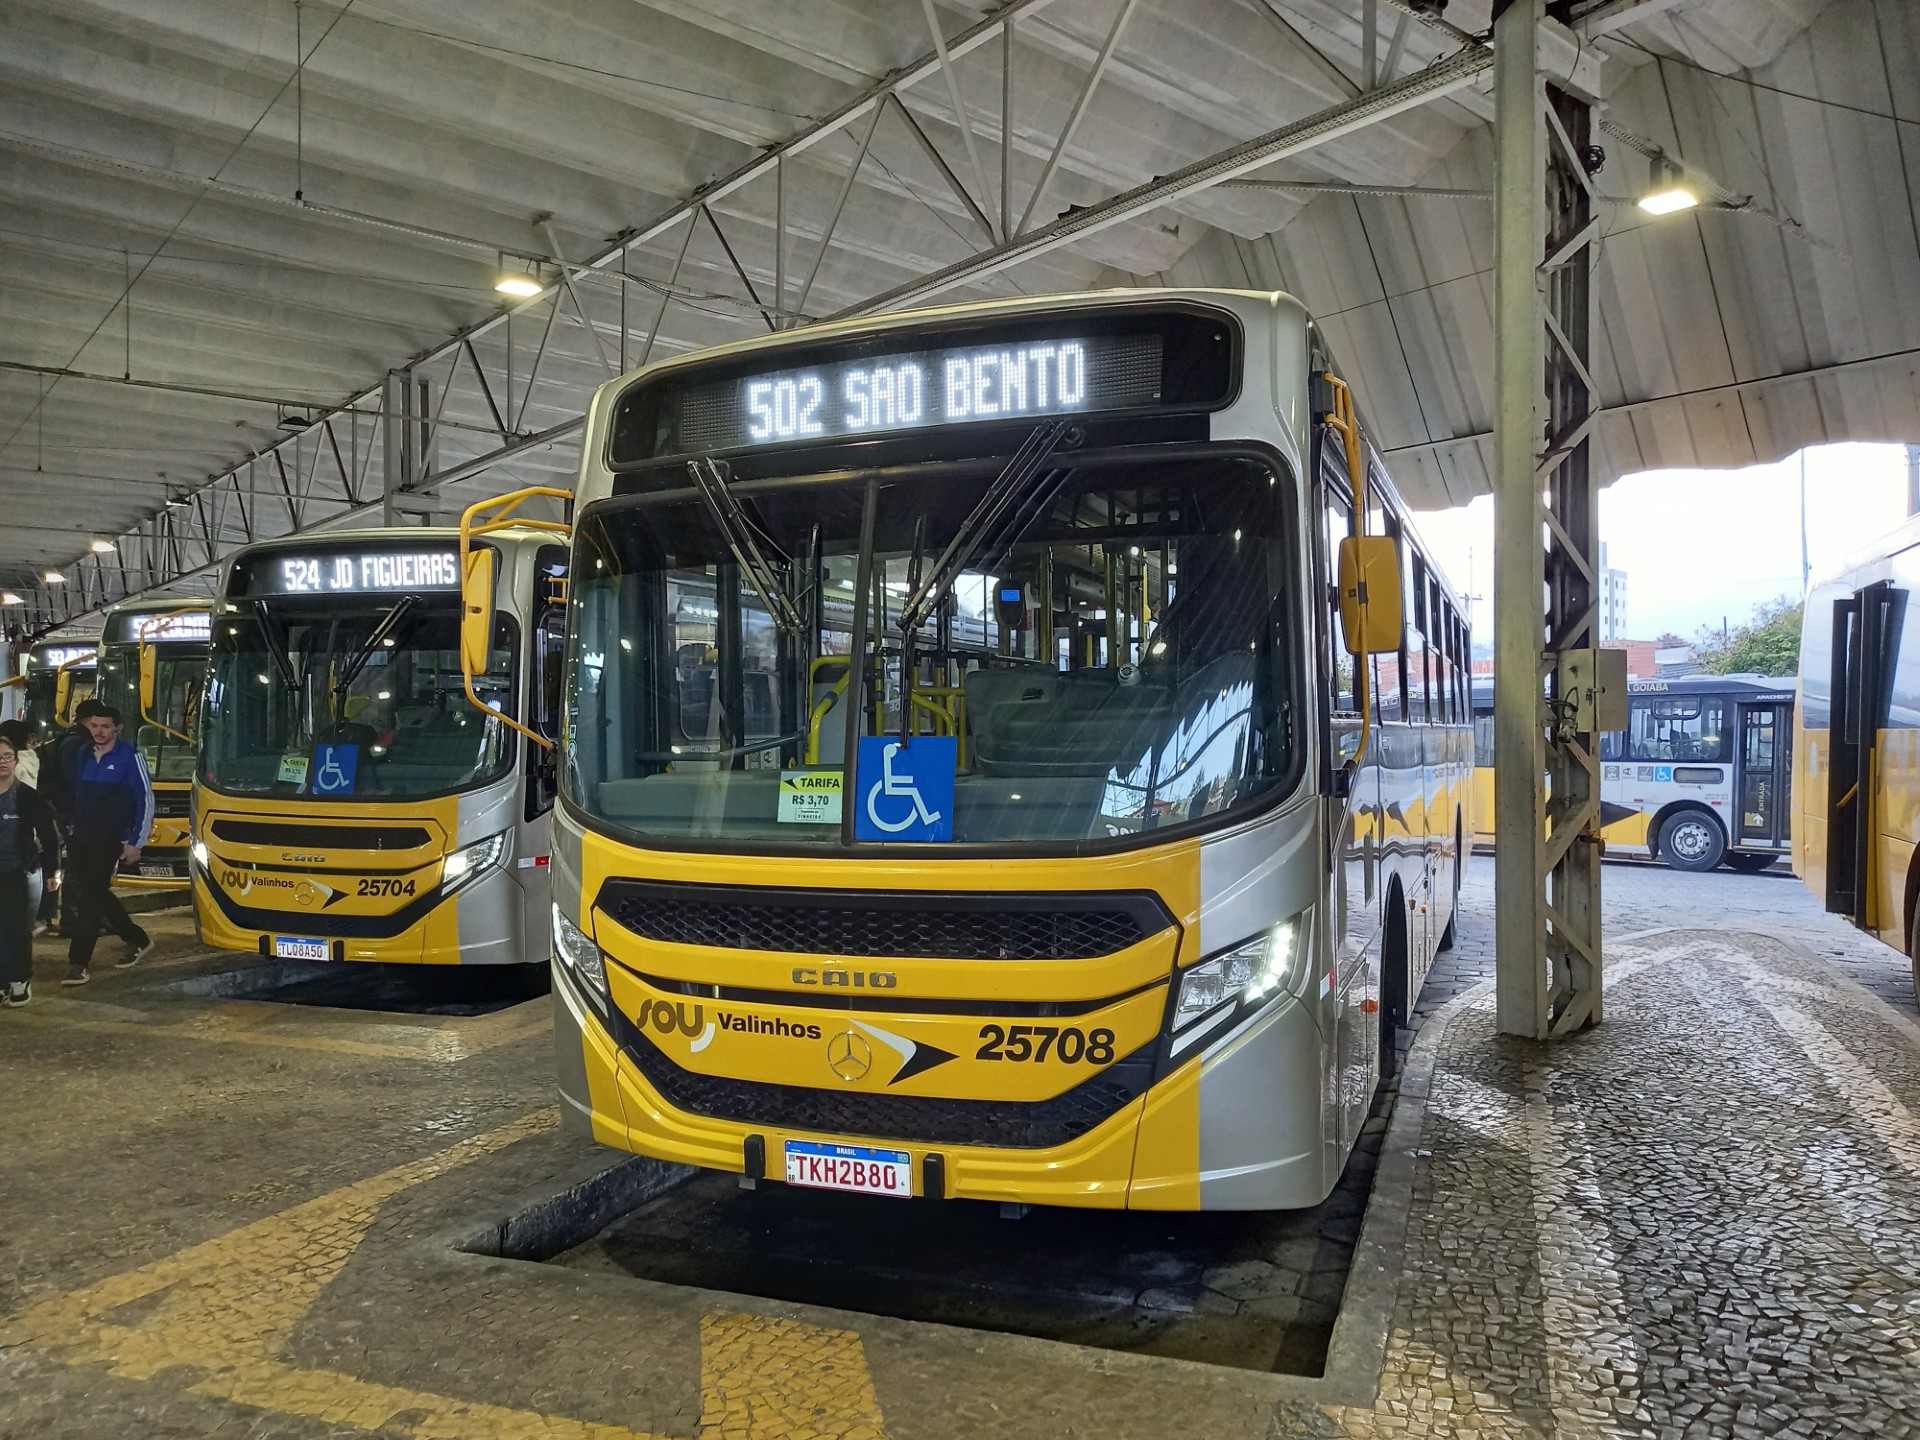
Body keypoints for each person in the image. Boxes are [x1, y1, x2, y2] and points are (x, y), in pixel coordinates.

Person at [61, 703, 154, 986]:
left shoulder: (130, 757)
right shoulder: (83, 753)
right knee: (96, 891)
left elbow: (145, 800)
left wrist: (136, 841)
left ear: (117, 728)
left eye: (105, 726)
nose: (98, 732)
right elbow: (80, 794)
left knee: (90, 896)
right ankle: (137, 939)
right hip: (82, 837)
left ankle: (78, 963)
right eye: (94, 726)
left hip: (111, 838)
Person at [0, 732, 60, 1007]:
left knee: (16, 929)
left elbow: (48, 835)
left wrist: (53, 872)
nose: (2, 762)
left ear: (15, 761)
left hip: (20, 872)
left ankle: (19, 979)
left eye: (7, 757)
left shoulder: (26, 796)